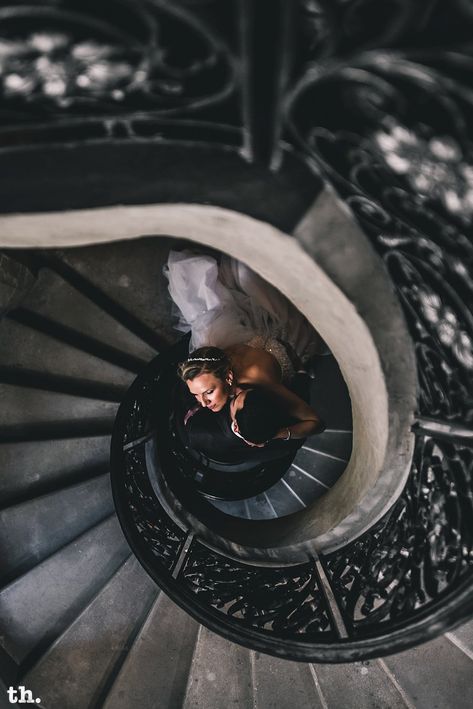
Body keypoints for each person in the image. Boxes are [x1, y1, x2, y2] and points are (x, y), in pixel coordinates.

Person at [166, 250, 325, 455]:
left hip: (274, 351)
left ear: (229, 377)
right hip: (250, 346)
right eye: (196, 395)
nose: (203, 404)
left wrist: (279, 433)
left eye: (208, 392)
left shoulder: (260, 381)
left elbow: (315, 423)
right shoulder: (215, 358)